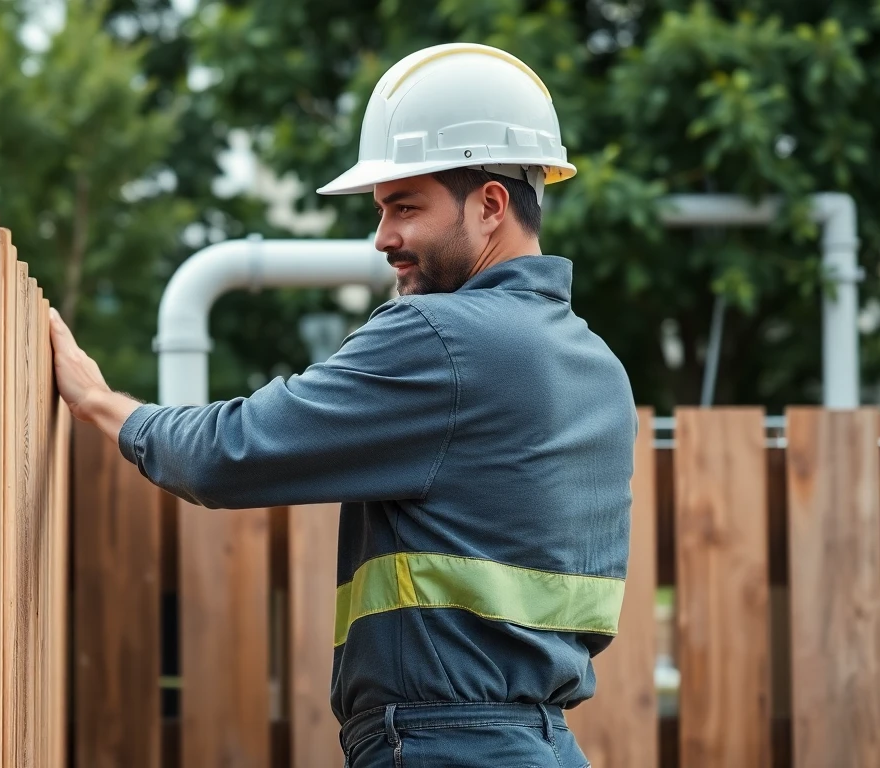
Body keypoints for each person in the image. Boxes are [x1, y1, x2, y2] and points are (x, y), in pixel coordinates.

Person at [50, 42, 635, 768]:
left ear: (489, 205)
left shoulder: (442, 336)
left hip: (442, 748)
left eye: (405, 206)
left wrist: (104, 404)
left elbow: (228, 454)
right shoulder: (599, 370)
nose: (384, 237)